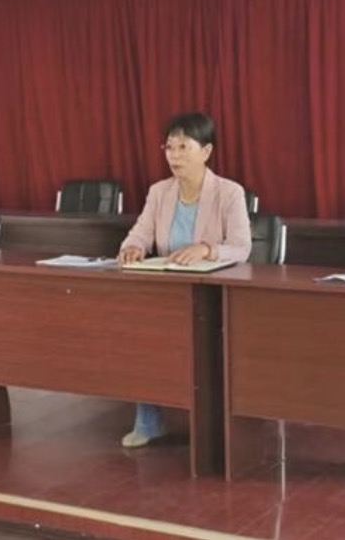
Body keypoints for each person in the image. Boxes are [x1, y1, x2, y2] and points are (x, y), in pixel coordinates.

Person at [117, 112, 252, 448]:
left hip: (213, 294)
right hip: (167, 291)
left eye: (183, 147)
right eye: (169, 147)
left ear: (206, 151)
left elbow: (242, 247)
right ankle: (149, 422)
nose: (174, 156)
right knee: (140, 334)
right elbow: (140, 233)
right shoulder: (159, 192)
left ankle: (212, 427)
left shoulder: (229, 192)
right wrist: (133, 248)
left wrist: (206, 248)